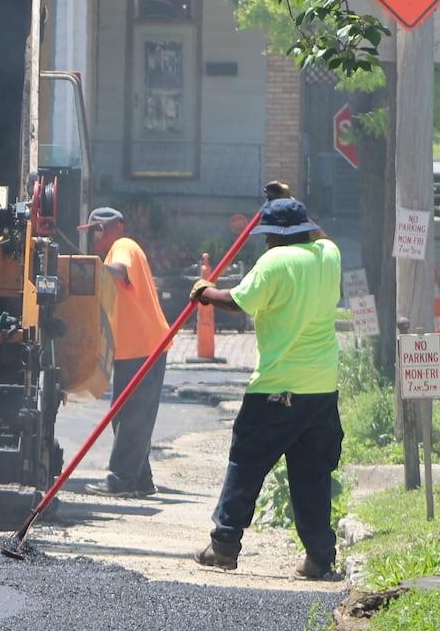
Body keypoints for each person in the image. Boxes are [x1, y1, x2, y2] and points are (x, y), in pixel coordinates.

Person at [188, 195, 344, 579]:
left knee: (247, 463)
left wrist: (204, 292)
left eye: (267, 235)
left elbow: (239, 301)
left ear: (274, 236)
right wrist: (290, 201)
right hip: (321, 387)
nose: (265, 242)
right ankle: (320, 557)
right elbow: (317, 231)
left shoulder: (276, 262)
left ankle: (224, 545)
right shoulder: (328, 253)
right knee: (312, 474)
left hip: (278, 387)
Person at [79, 206, 170, 498]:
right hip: (136, 348)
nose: (92, 239)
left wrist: (90, 269)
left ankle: (121, 479)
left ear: (102, 230)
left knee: (131, 415)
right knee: (128, 414)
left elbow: (120, 271)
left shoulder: (123, 247)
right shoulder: (117, 250)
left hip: (144, 347)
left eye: (93, 232)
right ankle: (141, 479)